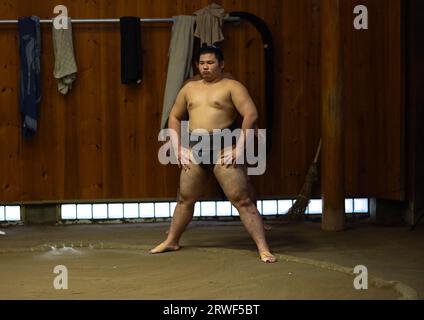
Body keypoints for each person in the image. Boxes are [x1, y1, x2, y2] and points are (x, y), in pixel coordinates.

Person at [151, 46, 276, 263]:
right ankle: (172, 240)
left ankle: (263, 248)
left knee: (242, 200)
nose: (205, 67)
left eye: (210, 62)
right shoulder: (189, 89)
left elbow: (251, 114)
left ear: (221, 64)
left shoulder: (232, 87)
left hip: (223, 148)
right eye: (202, 63)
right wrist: (178, 147)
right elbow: (173, 117)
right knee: (184, 199)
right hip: (195, 148)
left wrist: (239, 148)